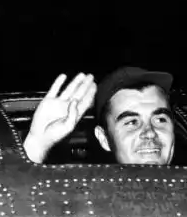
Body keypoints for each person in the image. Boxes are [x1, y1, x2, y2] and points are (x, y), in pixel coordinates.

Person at [23, 66, 175, 166]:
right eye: (132, 122)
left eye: (160, 120)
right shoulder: (87, 205)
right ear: (104, 139)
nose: (149, 132)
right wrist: (37, 144)